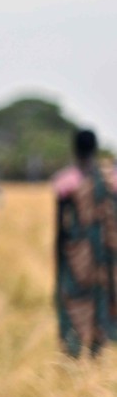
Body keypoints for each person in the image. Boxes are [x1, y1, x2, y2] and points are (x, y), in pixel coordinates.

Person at [52, 129, 117, 357]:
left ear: (74, 148)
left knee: (74, 302)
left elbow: (60, 227)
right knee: (103, 299)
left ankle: (74, 351)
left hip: (77, 256)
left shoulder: (66, 182)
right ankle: (97, 352)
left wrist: (58, 260)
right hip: (106, 256)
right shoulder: (111, 180)